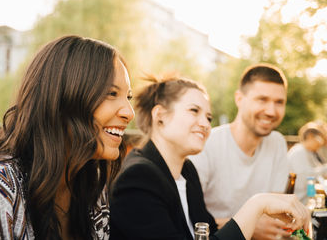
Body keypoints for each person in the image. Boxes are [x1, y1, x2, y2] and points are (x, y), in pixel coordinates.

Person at [0, 35, 135, 239]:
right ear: (63, 98)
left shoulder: (91, 185)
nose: (129, 112)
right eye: (111, 93)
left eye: (128, 97)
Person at [110, 76, 309, 240]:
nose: (205, 124)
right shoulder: (138, 177)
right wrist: (257, 205)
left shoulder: (186, 171)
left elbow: (212, 231)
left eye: (208, 118)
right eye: (194, 111)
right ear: (160, 115)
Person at [190, 63, 291, 240]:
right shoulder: (205, 144)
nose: (271, 111)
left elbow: (274, 215)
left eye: (279, 102)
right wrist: (250, 225)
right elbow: (189, 219)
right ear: (239, 99)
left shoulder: (277, 143)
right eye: (262, 99)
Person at [288, 121, 327, 203]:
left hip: (307, 200)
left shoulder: (310, 153)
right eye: (320, 139)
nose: (321, 143)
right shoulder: (298, 152)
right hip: (299, 200)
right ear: (310, 136)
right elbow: (306, 177)